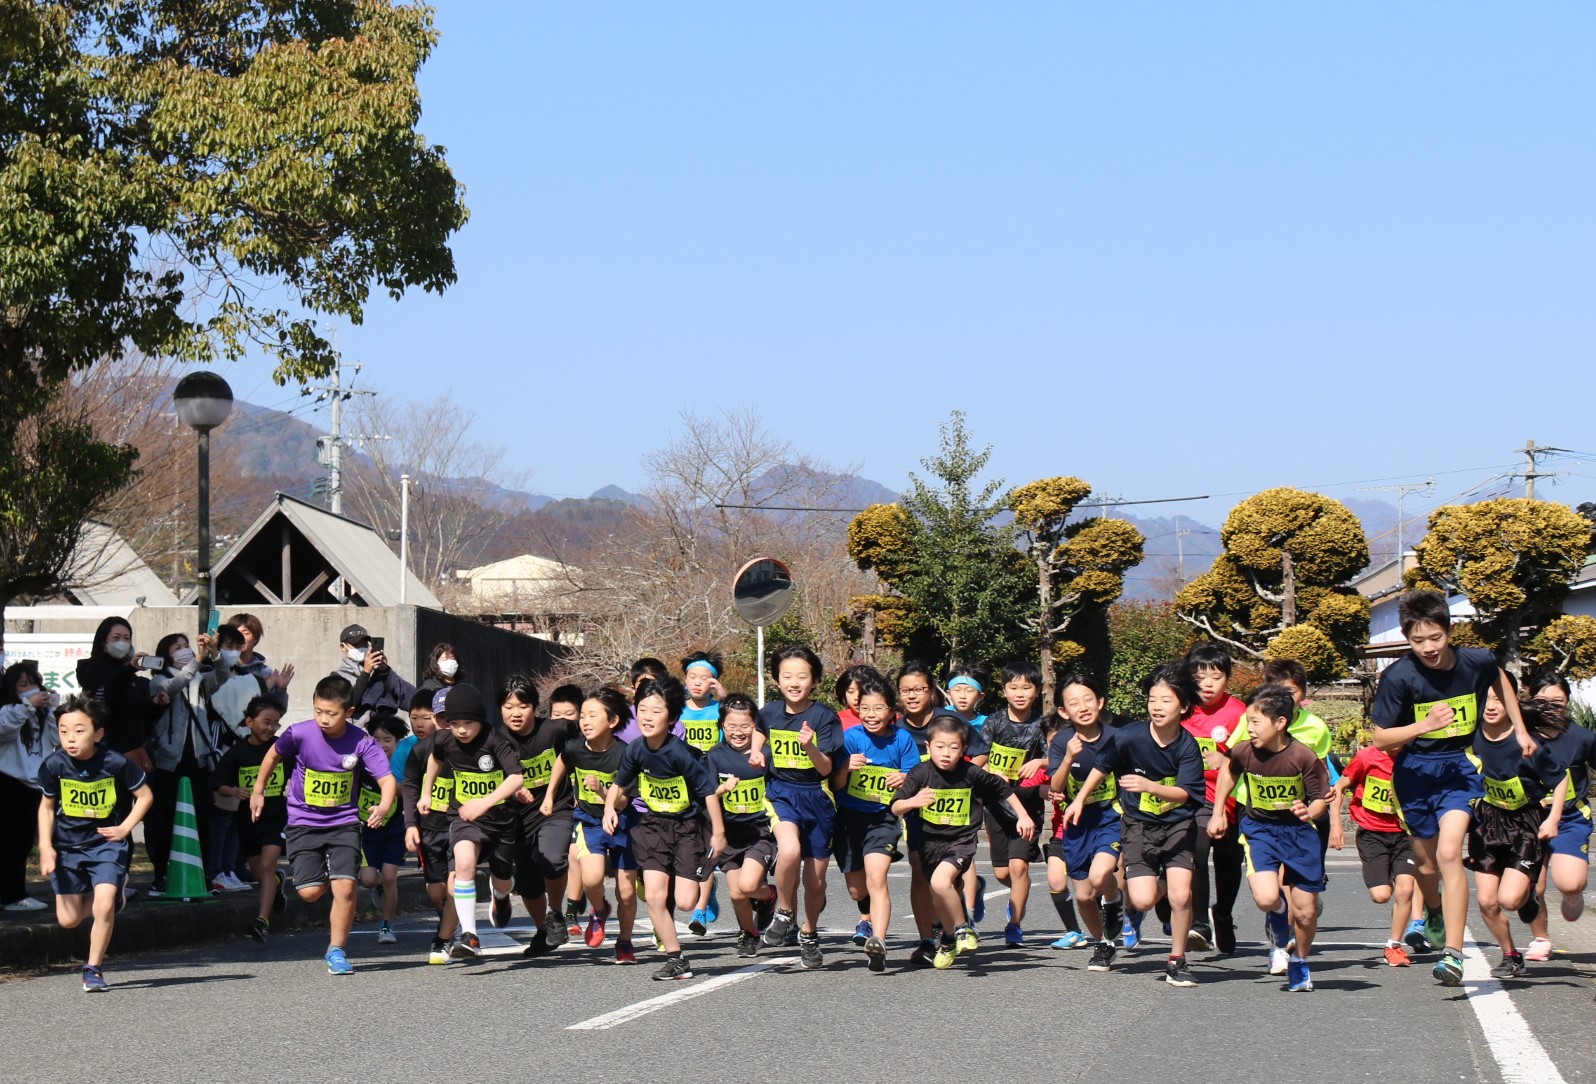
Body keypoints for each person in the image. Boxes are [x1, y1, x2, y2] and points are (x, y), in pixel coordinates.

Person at [1371, 589, 1532, 987]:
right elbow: (1380, 738)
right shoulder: (1399, 676)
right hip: (1413, 774)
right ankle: (1436, 910)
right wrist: (1423, 726)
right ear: (1408, 639)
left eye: (1435, 638)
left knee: (1448, 853)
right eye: (1417, 641)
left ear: (1448, 631)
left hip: (1458, 768)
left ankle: (1454, 954)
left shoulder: (1477, 660)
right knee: (1426, 866)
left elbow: (1501, 682)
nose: (1428, 648)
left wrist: (1523, 730)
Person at [1062, 664, 1205, 988]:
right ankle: (1161, 885)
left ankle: (1177, 961)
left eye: (1166, 700)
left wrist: (1150, 786)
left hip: (1178, 827)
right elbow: (1102, 765)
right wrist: (1080, 798)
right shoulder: (1129, 737)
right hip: (1139, 828)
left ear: (1183, 706)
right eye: (1153, 699)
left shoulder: (1187, 746)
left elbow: (1186, 793)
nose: (1157, 706)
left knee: (1182, 898)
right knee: (1141, 900)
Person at [249, 673, 396, 976]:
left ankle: (337, 950)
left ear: (349, 713)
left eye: (332, 713)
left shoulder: (362, 742)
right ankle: (311, 877)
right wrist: (258, 790)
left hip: (343, 823)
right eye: (319, 711)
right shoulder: (300, 734)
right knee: (310, 893)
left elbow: (386, 779)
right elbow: (272, 756)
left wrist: (383, 804)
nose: (324, 719)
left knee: (345, 888)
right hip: (303, 823)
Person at [1209, 684, 1330, 993]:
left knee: (1305, 911)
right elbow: (1229, 774)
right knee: (1266, 897)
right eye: (1248, 721)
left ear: (1280, 723)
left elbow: (1320, 800)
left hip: (1299, 834)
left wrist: (1309, 811)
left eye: (1256, 722)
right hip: (1260, 829)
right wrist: (1219, 811)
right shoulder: (1244, 751)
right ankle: (1277, 916)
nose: (1249, 729)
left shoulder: (1303, 756)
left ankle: (1301, 962)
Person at [892, 715, 1035, 970]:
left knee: (939, 882)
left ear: (964, 750)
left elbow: (1003, 789)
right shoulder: (920, 772)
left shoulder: (970, 772)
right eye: (940, 746)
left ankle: (962, 929)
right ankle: (947, 939)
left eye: (953, 747)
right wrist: (914, 801)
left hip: (961, 840)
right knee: (939, 892)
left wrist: (1022, 815)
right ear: (928, 747)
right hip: (928, 842)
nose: (946, 753)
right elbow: (896, 806)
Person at [607, 676, 726, 981]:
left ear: (672, 717)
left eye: (656, 711)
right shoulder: (635, 749)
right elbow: (619, 784)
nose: (647, 717)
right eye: (642, 709)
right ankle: (676, 958)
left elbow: (708, 791)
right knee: (656, 897)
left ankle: (698, 880)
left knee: (685, 901)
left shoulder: (680, 753)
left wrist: (718, 833)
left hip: (687, 827)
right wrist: (609, 808)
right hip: (652, 827)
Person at [37, 695, 154, 991]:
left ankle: (93, 969)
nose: (70, 738)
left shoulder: (115, 762)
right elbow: (46, 807)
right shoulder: (54, 764)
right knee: (69, 919)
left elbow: (145, 796)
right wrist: (46, 847)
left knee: (102, 908)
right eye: (64, 731)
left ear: (98, 733)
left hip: (106, 845)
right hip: (67, 847)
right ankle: (115, 895)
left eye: (79, 730)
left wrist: (125, 828)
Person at [419, 683, 524, 960]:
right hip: (464, 817)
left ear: (481, 719)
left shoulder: (496, 741)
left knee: (502, 880)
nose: (462, 729)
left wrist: (484, 802)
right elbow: (435, 760)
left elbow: (516, 777)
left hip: (500, 820)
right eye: (455, 723)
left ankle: (500, 896)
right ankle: (469, 935)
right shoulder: (444, 739)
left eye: (468, 723)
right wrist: (426, 792)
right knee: (464, 863)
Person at [757, 645, 844, 969]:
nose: (794, 682)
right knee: (789, 850)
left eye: (802, 676)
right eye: (787, 676)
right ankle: (783, 912)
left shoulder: (824, 718)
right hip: (781, 793)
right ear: (777, 680)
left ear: (815, 681)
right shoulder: (768, 713)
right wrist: (756, 752)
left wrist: (808, 747)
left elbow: (825, 769)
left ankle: (808, 934)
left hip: (817, 797)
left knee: (815, 881)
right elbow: (757, 734)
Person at [1467, 692, 1564, 978]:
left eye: (1499, 699)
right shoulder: (1471, 735)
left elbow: (1560, 780)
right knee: (1486, 901)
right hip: (1487, 820)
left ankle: (1528, 893)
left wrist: (1554, 819)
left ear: (1511, 703)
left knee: (1509, 900)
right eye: (1486, 699)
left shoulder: (1527, 742)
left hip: (1525, 822)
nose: (1492, 706)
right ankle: (1510, 956)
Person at [832, 673, 921, 972]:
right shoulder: (851, 738)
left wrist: (905, 778)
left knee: (876, 877)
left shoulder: (902, 739)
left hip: (883, 818)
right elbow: (836, 783)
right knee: (858, 890)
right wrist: (846, 766)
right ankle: (866, 914)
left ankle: (878, 941)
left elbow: (915, 779)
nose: (872, 715)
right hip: (849, 818)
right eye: (866, 709)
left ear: (891, 711)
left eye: (879, 709)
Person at [544, 686, 639, 963]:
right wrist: (550, 794)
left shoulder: (625, 754)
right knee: (592, 878)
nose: (584, 721)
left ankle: (624, 942)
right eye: (583, 715)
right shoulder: (575, 748)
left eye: (592, 716)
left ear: (612, 721)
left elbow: (621, 803)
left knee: (626, 891)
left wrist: (600, 791)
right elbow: (562, 761)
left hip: (624, 824)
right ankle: (598, 910)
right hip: (589, 822)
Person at [1047, 672, 1125, 966]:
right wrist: (1067, 758)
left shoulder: (1117, 738)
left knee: (1099, 875)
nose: (1082, 706)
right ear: (1064, 712)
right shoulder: (1063, 741)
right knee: (1082, 896)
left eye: (1088, 699)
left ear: (1101, 702)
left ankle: (1114, 901)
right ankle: (1102, 944)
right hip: (1076, 822)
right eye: (1073, 703)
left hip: (1109, 815)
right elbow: (1055, 786)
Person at [499, 674, 576, 956]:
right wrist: (511, 790)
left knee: (553, 859)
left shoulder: (555, 730)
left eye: (523, 706)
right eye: (508, 707)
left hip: (555, 808)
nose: (516, 713)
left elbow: (589, 739)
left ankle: (556, 912)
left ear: (535, 706)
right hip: (516, 819)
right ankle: (543, 931)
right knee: (528, 884)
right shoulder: (497, 740)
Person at [1179, 642, 1247, 954]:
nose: (1207, 684)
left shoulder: (1238, 713)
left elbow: (1251, 756)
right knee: (1197, 847)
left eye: (1216, 677)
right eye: (1200, 677)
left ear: (1227, 679)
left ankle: (1222, 914)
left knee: (1229, 861)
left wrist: (1229, 761)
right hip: (1191, 796)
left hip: (1231, 798)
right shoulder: (1181, 708)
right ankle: (1199, 923)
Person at [1521, 672, 1594, 961]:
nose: (1550, 708)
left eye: (1558, 702)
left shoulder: (1583, 737)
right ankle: (1541, 938)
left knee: (1569, 882)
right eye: (1542, 701)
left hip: (1570, 817)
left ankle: (1572, 895)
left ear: (1568, 703)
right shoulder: (1518, 734)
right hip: (1527, 818)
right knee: (1531, 885)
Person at [145, 631, 224, 895]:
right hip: (169, 763)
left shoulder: (200, 679)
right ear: (166, 654)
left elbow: (221, 677)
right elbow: (173, 686)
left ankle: (202, 875)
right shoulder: (158, 680)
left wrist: (214, 654)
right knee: (164, 821)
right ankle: (161, 875)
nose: (184, 650)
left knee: (202, 819)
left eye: (186, 646)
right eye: (176, 647)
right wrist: (197, 662)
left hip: (198, 760)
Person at [1329, 738, 1419, 967]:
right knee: (1381, 895)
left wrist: (1406, 795)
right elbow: (1339, 787)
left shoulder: (1416, 757)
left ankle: (1394, 946)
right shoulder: (1367, 756)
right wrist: (1336, 825)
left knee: (1405, 889)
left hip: (1405, 833)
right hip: (1372, 833)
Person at [982, 660, 1051, 947]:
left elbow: (1058, 756)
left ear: (1037, 691)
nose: (1020, 693)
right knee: (1002, 873)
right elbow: (978, 757)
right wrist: (989, 771)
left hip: (1028, 806)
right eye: (1014, 687)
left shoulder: (1043, 724)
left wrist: (1040, 761)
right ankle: (1016, 894)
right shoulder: (994, 721)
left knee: (1019, 867)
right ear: (1004, 691)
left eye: (1027, 687)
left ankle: (1014, 925)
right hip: (996, 805)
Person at [703, 694, 778, 957]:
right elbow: (707, 793)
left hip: (759, 832)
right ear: (722, 726)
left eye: (745, 726)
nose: (738, 732)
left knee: (748, 886)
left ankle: (768, 896)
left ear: (755, 726)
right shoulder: (715, 756)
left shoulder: (765, 755)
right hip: (730, 835)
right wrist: (723, 789)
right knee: (736, 894)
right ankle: (749, 933)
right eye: (731, 726)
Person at [211, 696, 287, 942]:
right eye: (266, 722)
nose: (270, 728)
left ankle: (262, 921)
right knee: (259, 872)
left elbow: (303, 768)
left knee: (266, 864)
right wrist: (233, 791)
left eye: (276, 723)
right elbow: (216, 781)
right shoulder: (238, 752)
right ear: (249, 721)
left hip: (277, 816)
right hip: (249, 819)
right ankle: (277, 881)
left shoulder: (282, 748)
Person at [401, 688, 458, 965]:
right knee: (436, 890)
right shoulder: (421, 749)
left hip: (459, 825)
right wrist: (411, 824)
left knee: (455, 882)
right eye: (443, 718)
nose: (449, 724)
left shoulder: (473, 748)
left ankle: (448, 933)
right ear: (436, 719)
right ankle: (447, 917)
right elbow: (410, 785)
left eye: (454, 717)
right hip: (430, 827)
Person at [0, 660, 58, 911]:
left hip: (36, 785)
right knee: (9, 841)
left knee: (24, 841)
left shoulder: (43, 714)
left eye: (34, 683)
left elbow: (57, 740)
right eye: (23, 685)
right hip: (9, 782)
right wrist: (26, 705)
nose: (30, 689)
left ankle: (14, 892)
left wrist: (54, 710)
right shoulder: (8, 710)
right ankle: (11, 895)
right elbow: (5, 729)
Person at [74, 616, 155, 776]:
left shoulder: (131, 675)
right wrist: (129, 670)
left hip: (133, 748)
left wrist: (159, 704)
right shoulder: (95, 669)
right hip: (107, 749)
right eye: (116, 638)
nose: (122, 642)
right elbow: (107, 703)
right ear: (104, 644)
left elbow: (141, 713)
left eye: (127, 638)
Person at [680, 652, 725, 933]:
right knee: (692, 849)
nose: (698, 683)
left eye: (704, 678)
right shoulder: (677, 712)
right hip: (684, 790)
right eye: (692, 677)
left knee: (709, 848)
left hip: (715, 788)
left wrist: (725, 699)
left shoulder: (720, 711)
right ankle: (705, 890)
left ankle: (700, 909)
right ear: (684, 681)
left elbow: (745, 724)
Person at [545, 682, 592, 937]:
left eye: (569, 715)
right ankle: (575, 896)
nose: (563, 722)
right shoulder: (546, 741)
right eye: (557, 716)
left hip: (583, 809)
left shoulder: (588, 742)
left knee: (576, 855)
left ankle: (572, 910)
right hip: (553, 808)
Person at [359, 714, 410, 944]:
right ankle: (378, 887)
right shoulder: (362, 765)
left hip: (395, 828)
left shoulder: (402, 766)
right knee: (369, 879)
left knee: (389, 877)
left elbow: (407, 791)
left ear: (398, 742)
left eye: (387, 740)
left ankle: (387, 925)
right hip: (367, 831)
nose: (381, 745)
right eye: (376, 740)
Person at [335, 624, 417, 727]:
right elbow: (348, 705)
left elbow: (407, 696)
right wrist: (366, 673)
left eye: (364, 645)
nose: (361, 649)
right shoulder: (338, 676)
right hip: (357, 734)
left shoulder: (378, 672)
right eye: (356, 645)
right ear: (343, 647)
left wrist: (385, 670)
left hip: (383, 734)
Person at [226, 612, 293, 706]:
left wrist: (281, 689)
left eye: (245, 633)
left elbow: (278, 711)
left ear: (256, 639)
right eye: (236, 633)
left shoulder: (266, 673)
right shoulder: (221, 668)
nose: (239, 637)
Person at [945, 664, 989, 731]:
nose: (962, 696)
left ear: (980, 696)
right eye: (957, 690)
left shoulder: (987, 724)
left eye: (969, 691)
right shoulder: (937, 716)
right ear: (948, 694)